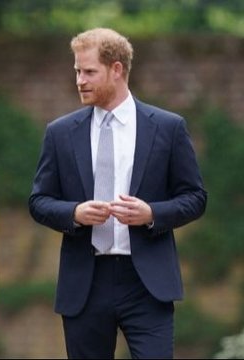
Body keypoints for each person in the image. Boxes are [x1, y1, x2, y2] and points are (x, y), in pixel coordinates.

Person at [28, 27, 207, 359]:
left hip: (147, 283)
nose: (80, 80)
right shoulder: (60, 133)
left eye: (89, 72)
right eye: (77, 71)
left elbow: (195, 197)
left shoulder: (168, 128)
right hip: (85, 281)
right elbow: (39, 202)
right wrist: (74, 213)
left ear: (117, 69)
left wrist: (152, 214)